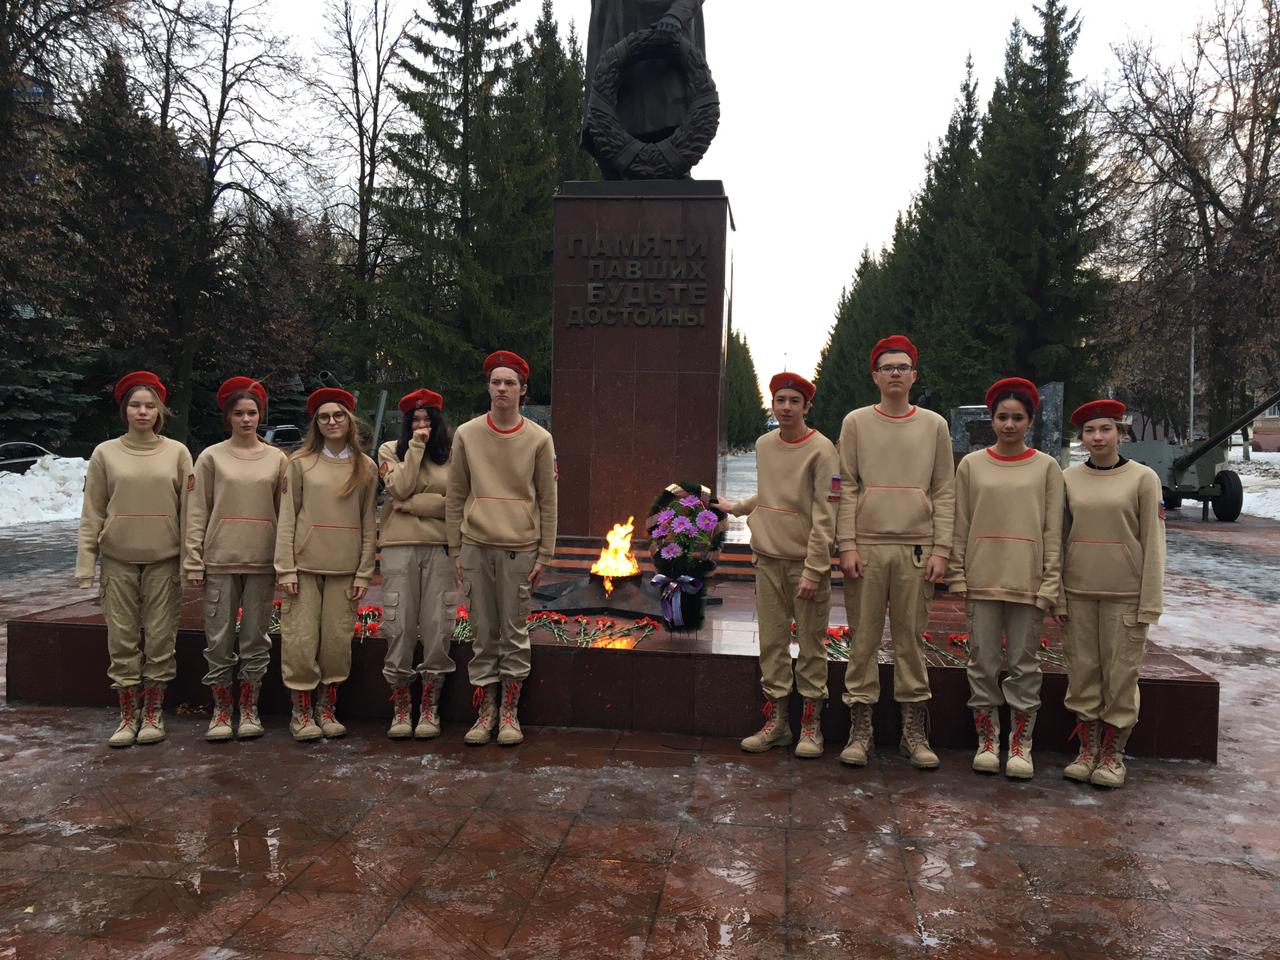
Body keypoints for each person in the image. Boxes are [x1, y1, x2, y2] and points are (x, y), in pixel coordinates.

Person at [836, 335, 955, 769]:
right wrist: (847, 544)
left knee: (911, 642)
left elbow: (944, 490)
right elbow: (846, 486)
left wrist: (942, 548)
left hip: (916, 550)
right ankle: (860, 730)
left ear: (914, 375)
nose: (895, 374)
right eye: (888, 367)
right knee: (863, 640)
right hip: (866, 548)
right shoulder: (856, 422)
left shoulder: (934, 425)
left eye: (903, 367)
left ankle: (913, 731)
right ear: (875, 376)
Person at [950, 377, 1064, 779]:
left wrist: (1050, 582)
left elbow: (1053, 530)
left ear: (1030, 420)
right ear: (992, 419)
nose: (1009, 425)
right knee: (981, 661)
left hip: (1027, 582)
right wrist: (957, 573)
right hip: (982, 579)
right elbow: (960, 522)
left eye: (1017, 417)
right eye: (1002, 417)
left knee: (1024, 664)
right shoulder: (971, 465)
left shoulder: (1047, 467)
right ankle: (987, 740)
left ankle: (1020, 744)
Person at [721, 373, 838, 757]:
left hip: (804, 564)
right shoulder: (764, 444)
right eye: (780, 400)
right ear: (772, 405)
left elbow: (825, 513)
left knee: (811, 645)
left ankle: (811, 726)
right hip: (767, 559)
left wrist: (815, 568)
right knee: (772, 642)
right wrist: (737, 507)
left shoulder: (822, 450)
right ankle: (778, 724)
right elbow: (770, 493)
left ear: (807, 406)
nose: (786, 407)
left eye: (794, 401)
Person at [76, 371, 193, 747]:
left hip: (164, 559)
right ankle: (129, 714)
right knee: (122, 639)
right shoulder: (106, 453)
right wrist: (85, 561)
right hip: (118, 560)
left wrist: (191, 560)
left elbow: (190, 512)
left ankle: (154, 712)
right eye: (135, 406)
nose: (142, 412)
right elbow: (93, 510)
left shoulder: (177, 453)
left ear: (160, 411)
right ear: (125, 410)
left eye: (149, 406)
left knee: (160, 638)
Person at [446, 351, 557, 746]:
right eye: (496, 382)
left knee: (513, 630)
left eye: (510, 383)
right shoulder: (467, 434)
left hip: (520, 548)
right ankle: (486, 709)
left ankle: (510, 712)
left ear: (523, 390)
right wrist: (455, 549)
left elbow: (548, 499)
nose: (502, 389)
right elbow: (455, 494)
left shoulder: (539, 439)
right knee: (482, 631)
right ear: (488, 387)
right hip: (476, 546)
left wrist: (544, 554)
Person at [1058, 399, 1165, 788]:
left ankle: (1112, 754)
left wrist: (1149, 601)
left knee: (1121, 675)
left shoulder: (1143, 478)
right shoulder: (1068, 479)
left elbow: (1154, 541)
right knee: (1082, 672)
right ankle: (1087, 748)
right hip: (1078, 591)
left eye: (1106, 429)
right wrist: (1057, 594)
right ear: (1082, 437)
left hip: (1125, 595)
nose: (1098, 437)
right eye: (1090, 431)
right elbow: (1058, 539)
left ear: (1121, 432)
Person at [185, 377, 287, 741]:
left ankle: (249, 707)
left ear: (260, 415)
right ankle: (221, 709)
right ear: (228, 416)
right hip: (220, 559)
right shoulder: (211, 457)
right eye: (239, 413)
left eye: (252, 413)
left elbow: (286, 514)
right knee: (219, 638)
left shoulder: (277, 459)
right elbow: (197, 510)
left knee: (256, 638)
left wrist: (284, 560)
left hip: (261, 560)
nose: (246, 419)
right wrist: (193, 559)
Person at [274, 388, 377, 742]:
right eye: (324, 417)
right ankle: (301, 712)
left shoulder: (365, 467)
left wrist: (364, 571)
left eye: (338, 415)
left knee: (336, 643)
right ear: (316, 424)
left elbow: (368, 522)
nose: (332, 422)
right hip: (303, 569)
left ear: (350, 420)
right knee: (300, 642)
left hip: (345, 570)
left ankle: (326, 708)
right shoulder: (300, 463)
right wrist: (286, 567)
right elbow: (288, 517)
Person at [377, 388, 455, 740]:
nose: (422, 426)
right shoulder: (390, 450)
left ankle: (429, 705)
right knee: (400, 625)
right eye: (415, 420)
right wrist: (415, 449)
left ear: (438, 422)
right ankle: (401, 704)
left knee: (438, 625)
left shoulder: (452, 455)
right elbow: (399, 488)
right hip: (400, 548)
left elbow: (456, 502)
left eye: (428, 420)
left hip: (440, 548)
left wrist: (414, 506)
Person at [581, 0, 707, 178]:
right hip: (614, 32)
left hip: (664, 31)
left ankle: (672, 165)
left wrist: (677, 13)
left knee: (667, 108)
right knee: (618, 109)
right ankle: (618, 165)